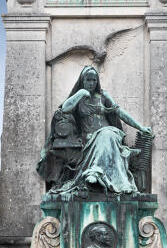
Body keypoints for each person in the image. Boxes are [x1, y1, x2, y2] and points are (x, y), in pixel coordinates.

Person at [38, 66, 152, 195]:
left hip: (109, 134)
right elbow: (64, 109)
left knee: (107, 134)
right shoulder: (78, 97)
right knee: (105, 136)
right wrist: (81, 93)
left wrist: (140, 127)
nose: (91, 83)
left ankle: (96, 172)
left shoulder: (103, 96)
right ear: (82, 80)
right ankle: (99, 174)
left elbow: (119, 112)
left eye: (94, 80)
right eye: (88, 80)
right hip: (88, 141)